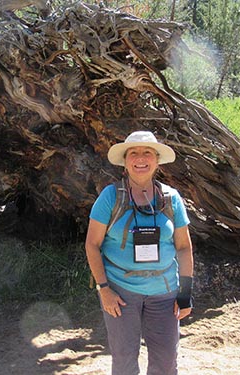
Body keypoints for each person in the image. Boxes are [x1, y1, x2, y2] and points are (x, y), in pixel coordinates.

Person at [85, 130, 193, 375]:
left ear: (156, 160)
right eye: (133, 153)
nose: (140, 158)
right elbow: (92, 244)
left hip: (165, 293)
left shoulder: (171, 199)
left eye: (147, 153)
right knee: (124, 362)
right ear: (125, 161)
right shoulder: (110, 197)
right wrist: (104, 289)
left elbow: (184, 247)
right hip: (121, 293)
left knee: (166, 362)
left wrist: (184, 293)